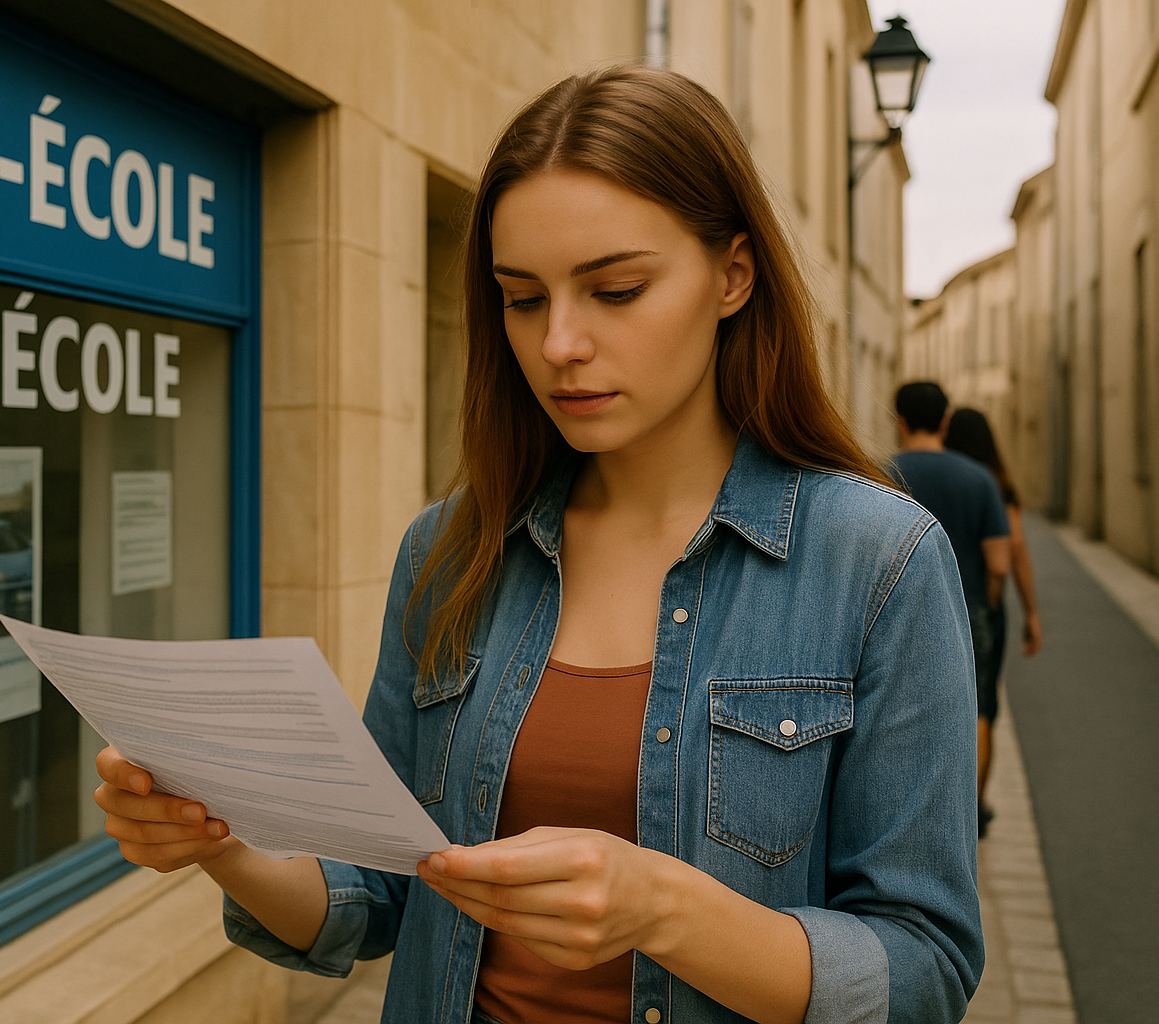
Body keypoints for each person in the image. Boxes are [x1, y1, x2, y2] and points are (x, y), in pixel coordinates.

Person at [95, 66, 983, 1024]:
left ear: (733, 275)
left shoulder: (878, 560)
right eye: (523, 298)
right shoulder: (451, 550)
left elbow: (923, 968)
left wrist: (663, 908)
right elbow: (378, 893)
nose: (560, 342)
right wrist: (222, 841)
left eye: (615, 290)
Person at [890, 384, 1012, 836]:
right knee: (976, 709)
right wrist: (987, 606)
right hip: (971, 608)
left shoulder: (876, 473)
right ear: (944, 421)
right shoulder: (978, 477)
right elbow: (999, 563)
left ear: (899, 420)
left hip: (892, 611)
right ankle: (968, 811)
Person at [944, 406, 1043, 823]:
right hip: (982, 610)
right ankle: (975, 804)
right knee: (982, 707)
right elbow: (1012, 555)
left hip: (938, 606)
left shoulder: (942, 475)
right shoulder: (996, 485)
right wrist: (1029, 612)